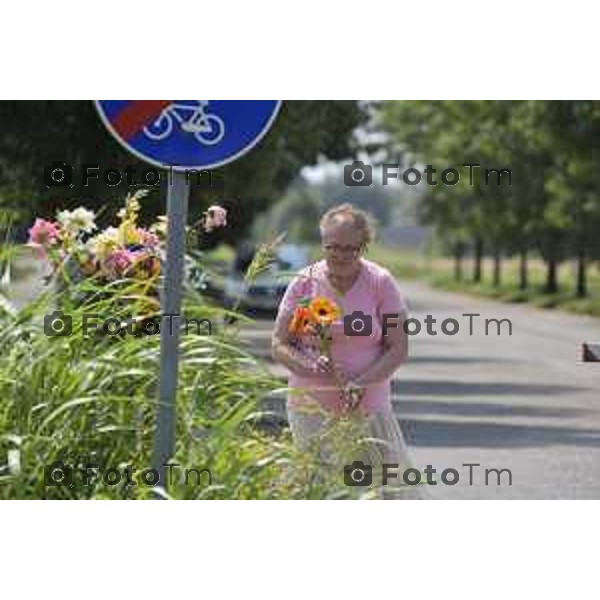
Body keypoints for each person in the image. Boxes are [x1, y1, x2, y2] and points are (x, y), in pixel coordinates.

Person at [272, 203, 425, 499]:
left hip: (367, 407)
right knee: (321, 490)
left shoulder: (381, 283)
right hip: (310, 407)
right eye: (332, 247)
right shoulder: (304, 283)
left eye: (350, 248)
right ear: (323, 243)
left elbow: (398, 347)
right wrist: (308, 365)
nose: (340, 255)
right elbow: (279, 343)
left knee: (374, 492)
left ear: (364, 246)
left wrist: (361, 384)